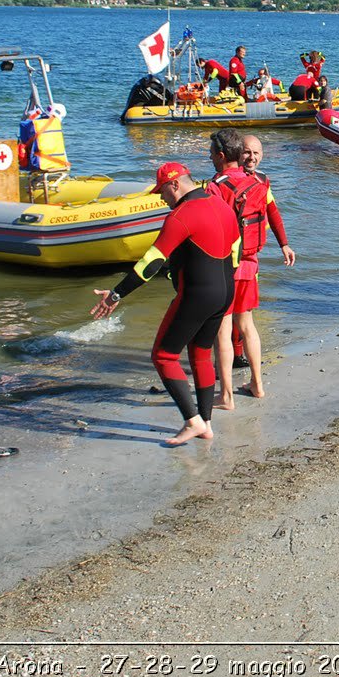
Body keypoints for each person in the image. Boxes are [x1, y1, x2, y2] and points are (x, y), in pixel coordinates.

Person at [90, 162, 239, 445]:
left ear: (175, 184)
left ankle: (192, 421)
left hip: (197, 294)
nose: (161, 199)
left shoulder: (181, 215)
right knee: (200, 353)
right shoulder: (221, 205)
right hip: (225, 292)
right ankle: (206, 423)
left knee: (164, 356)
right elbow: (236, 249)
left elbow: (151, 262)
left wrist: (116, 294)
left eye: (162, 192)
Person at [204, 129, 271, 409]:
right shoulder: (259, 182)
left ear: (221, 156)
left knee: (223, 331)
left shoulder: (215, 186)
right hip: (250, 264)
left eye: (210, 153)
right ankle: (257, 384)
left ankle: (226, 396)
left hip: (225, 268)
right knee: (248, 327)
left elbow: (210, 230)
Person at [227, 135, 295, 378]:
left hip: (250, 256)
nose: (251, 158)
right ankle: (230, 357)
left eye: (256, 153)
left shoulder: (263, 181)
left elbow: (273, 212)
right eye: (247, 152)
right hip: (227, 258)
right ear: (237, 153)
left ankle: (237, 357)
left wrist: (284, 245)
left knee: (243, 311)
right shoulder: (226, 183)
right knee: (230, 313)